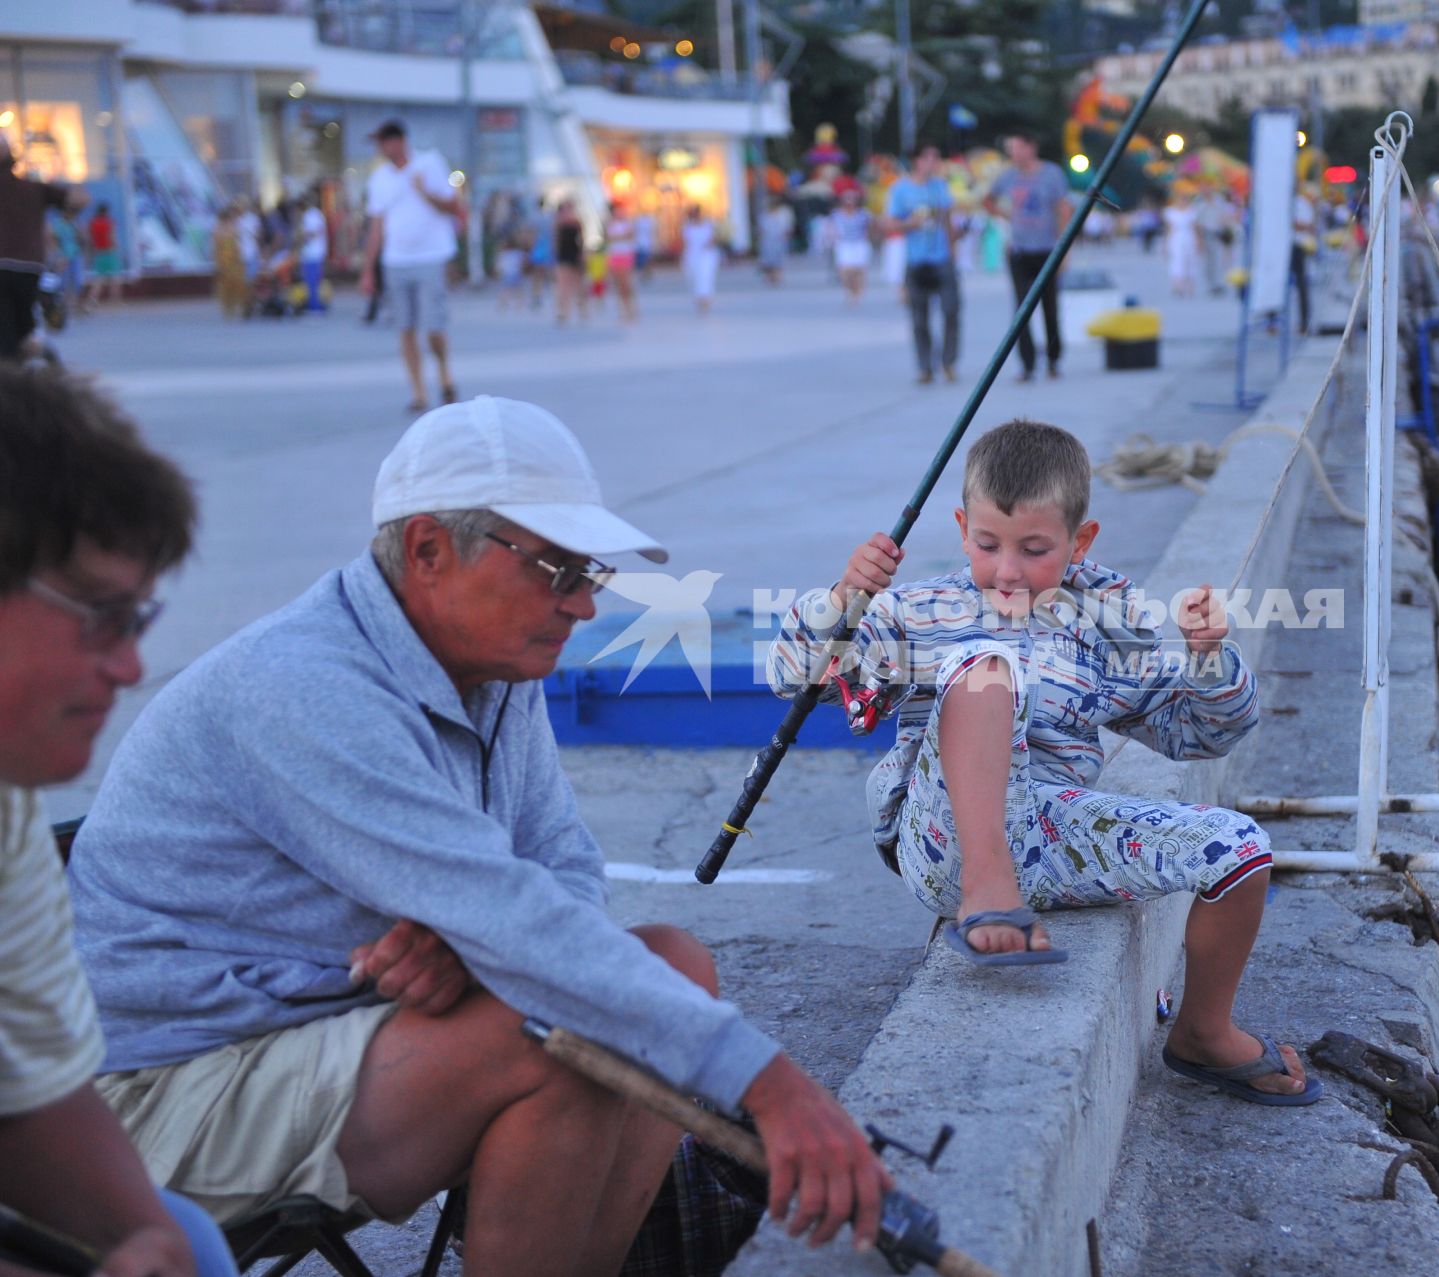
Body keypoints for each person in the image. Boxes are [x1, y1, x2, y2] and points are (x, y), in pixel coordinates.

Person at [67, 396, 893, 1273]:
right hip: (149, 1098)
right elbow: (512, 913)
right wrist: (772, 1087)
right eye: (555, 567)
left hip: (308, 1033)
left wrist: (470, 941)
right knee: (553, 1036)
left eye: (590, 572)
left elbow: (561, 868)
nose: (581, 603)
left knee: (670, 962)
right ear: (427, 549)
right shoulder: (305, 687)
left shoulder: (493, 666)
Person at [768, 419, 1322, 1105]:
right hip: (944, 846)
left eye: (1034, 549)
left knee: (1241, 847)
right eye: (987, 544)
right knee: (984, 667)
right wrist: (844, 597)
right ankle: (987, 883)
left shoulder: (1100, 628)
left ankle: (1203, 1031)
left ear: (1079, 540)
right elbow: (792, 673)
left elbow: (1200, 733)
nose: (1006, 570)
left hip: (1048, 837)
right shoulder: (916, 613)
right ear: (962, 525)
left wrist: (1208, 657)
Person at [0, 363, 239, 1277]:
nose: (135, 667)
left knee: (191, 1247)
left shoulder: (9, 798)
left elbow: (32, 1084)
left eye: (140, 617)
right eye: (102, 616)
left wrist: (143, 1237)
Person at [359, 119, 460, 413]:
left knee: (433, 325)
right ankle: (419, 391)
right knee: (405, 327)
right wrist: (368, 269)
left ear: (399, 141)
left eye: (383, 141)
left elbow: (454, 207)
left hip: (431, 255)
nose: (380, 148)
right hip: (396, 259)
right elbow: (376, 226)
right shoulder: (379, 178)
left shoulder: (430, 163)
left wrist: (424, 191)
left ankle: (444, 376)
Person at [985, 129, 1072, 383]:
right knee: (1021, 310)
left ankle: (1054, 360)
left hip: (1047, 249)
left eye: (1018, 147)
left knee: (1050, 307)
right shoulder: (1008, 176)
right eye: (1011, 149)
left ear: (1031, 147)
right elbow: (988, 200)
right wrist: (1006, 217)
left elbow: (1063, 209)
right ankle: (1027, 364)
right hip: (1020, 250)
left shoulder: (1051, 174)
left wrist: (1063, 246)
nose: (1014, 153)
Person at [885, 144, 960, 385]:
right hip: (916, 260)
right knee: (920, 317)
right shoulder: (901, 189)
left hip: (942, 259)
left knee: (951, 310)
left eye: (936, 157)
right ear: (916, 161)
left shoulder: (940, 187)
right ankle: (925, 366)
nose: (933, 162)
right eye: (928, 157)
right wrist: (912, 224)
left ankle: (948, 361)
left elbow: (948, 222)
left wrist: (953, 251)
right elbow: (890, 224)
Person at [0, 136, 70, 360]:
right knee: (22, 324)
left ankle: (16, 370)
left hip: (10, 268)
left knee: (9, 330)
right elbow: (76, 199)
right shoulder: (32, 190)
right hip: (29, 269)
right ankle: (35, 356)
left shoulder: (31, 190)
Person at [828, 187, 872, 307]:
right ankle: (848, 291)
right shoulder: (836, 214)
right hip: (844, 244)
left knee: (858, 270)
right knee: (845, 271)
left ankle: (857, 294)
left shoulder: (864, 214)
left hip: (859, 243)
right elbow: (831, 228)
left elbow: (870, 227)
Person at [604, 201, 639, 324]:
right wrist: (620, 237)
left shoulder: (627, 223)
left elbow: (629, 236)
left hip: (625, 255)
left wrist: (618, 238)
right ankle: (623, 311)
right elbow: (609, 239)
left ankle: (631, 309)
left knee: (627, 284)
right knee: (618, 285)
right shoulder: (610, 224)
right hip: (615, 256)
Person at [1291, 184, 1319, 336]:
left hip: (1299, 247)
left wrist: (1292, 223)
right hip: (1283, 246)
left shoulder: (1302, 203)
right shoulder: (1281, 202)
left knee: (1302, 285)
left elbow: (1309, 225)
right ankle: (1272, 320)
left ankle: (1304, 321)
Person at [83, 203, 123, 309]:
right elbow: (112, 237)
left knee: (98, 279)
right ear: (106, 212)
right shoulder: (109, 222)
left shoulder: (93, 223)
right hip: (109, 252)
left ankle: (92, 300)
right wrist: (117, 248)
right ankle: (115, 301)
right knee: (115, 277)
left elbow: (89, 239)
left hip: (99, 252)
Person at [681, 205, 719, 313]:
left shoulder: (708, 224)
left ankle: (705, 299)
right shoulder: (687, 226)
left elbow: (714, 238)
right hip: (692, 255)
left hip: (707, 255)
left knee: (705, 277)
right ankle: (699, 298)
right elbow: (685, 242)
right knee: (694, 277)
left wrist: (710, 244)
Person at [212, 204, 248, 319]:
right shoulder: (218, 230)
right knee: (225, 285)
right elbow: (216, 248)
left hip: (234, 260)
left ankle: (237, 306)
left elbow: (238, 245)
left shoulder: (233, 228)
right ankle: (228, 307)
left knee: (237, 284)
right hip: (225, 261)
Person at [1163, 188, 1200, 298]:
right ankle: (1178, 286)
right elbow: (1169, 229)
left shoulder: (1192, 212)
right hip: (1176, 238)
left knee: (1190, 261)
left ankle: (1190, 286)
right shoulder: (1170, 212)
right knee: (1176, 261)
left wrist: (1198, 241)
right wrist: (1166, 243)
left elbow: (1195, 228)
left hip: (1189, 237)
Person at [297, 193, 329, 313]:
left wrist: (302, 237)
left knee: (311, 281)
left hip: (312, 253)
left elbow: (313, 232)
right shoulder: (318, 214)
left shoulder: (310, 215)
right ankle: (316, 304)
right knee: (315, 281)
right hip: (317, 252)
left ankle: (314, 306)